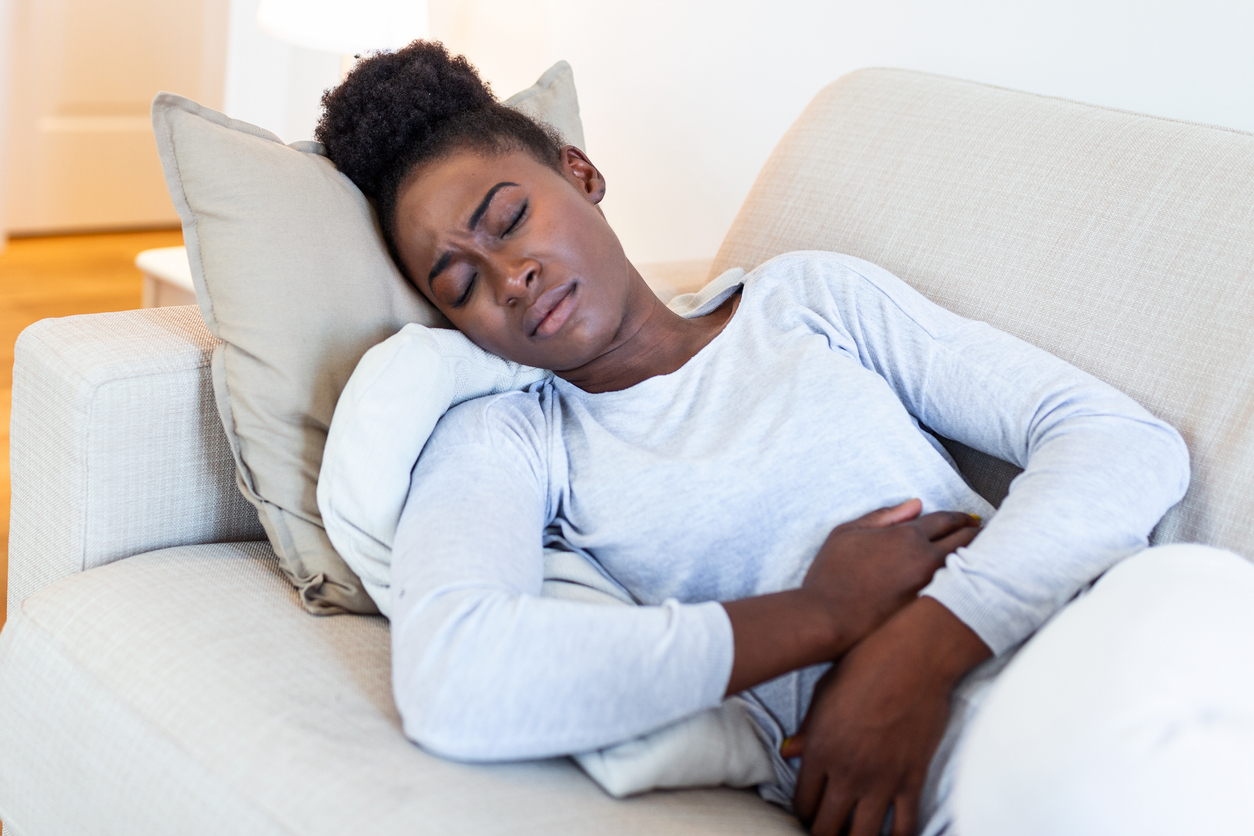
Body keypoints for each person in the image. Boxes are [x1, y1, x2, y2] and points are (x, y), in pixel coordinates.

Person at [315, 42, 1191, 835]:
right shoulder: (510, 438)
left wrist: (928, 642)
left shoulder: (805, 300)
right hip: (1001, 783)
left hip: (1127, 644)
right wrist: (819, 617)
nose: (510, 279)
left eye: (509, 221)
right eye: (459, 283)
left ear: (580, 174)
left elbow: (1121, 439)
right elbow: (455, 681)